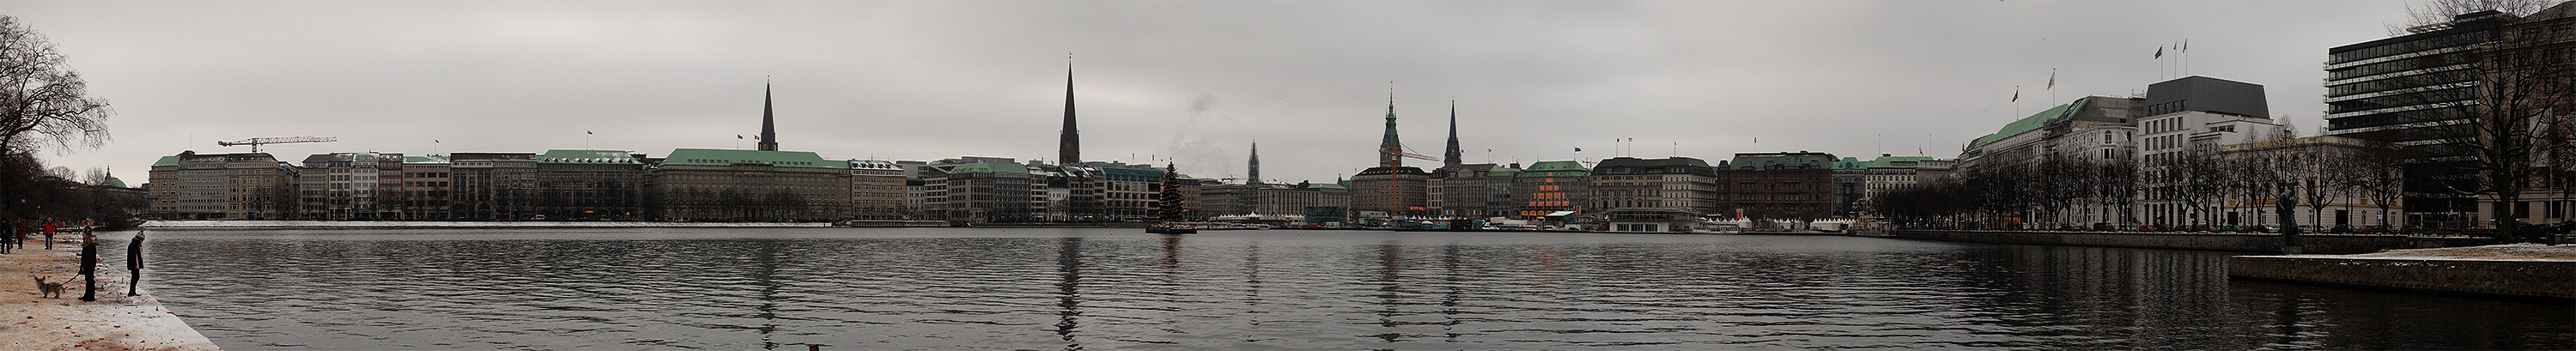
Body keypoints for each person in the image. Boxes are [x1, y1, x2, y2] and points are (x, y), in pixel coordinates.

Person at [77, 232, 97, 301]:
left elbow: (88, 257)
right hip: (89, 264)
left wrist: (84, 267)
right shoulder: (88, 243)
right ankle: (87, 295)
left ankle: (90, 296)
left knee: (90, 280)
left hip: (90, 264)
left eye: (83, 234)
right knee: (88, 280)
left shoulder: (89, 245)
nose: (82, 235)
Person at [126, 230, 143, 296]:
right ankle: (131, 292)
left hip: (135, 264)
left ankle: (133, 291)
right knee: (135, 277)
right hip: (135, 264)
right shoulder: (134, 245)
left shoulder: (134, 244)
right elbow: (134, 256)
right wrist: (136, 265)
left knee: (135, 277)